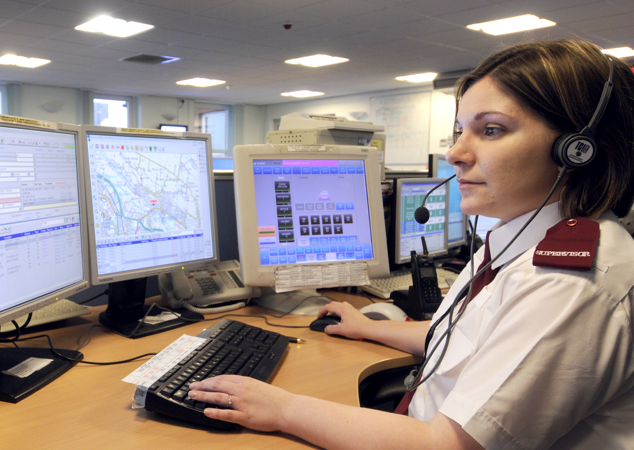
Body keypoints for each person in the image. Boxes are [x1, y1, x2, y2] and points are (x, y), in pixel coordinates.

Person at [188, 38, 634, 449]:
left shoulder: (568, 285)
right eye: (460, 130)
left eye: (492, 130)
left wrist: (283, 408)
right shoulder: (523, 236)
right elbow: (464, 341)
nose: (456, 153)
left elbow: (449, 445)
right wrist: (367, 326)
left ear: (578, 149)